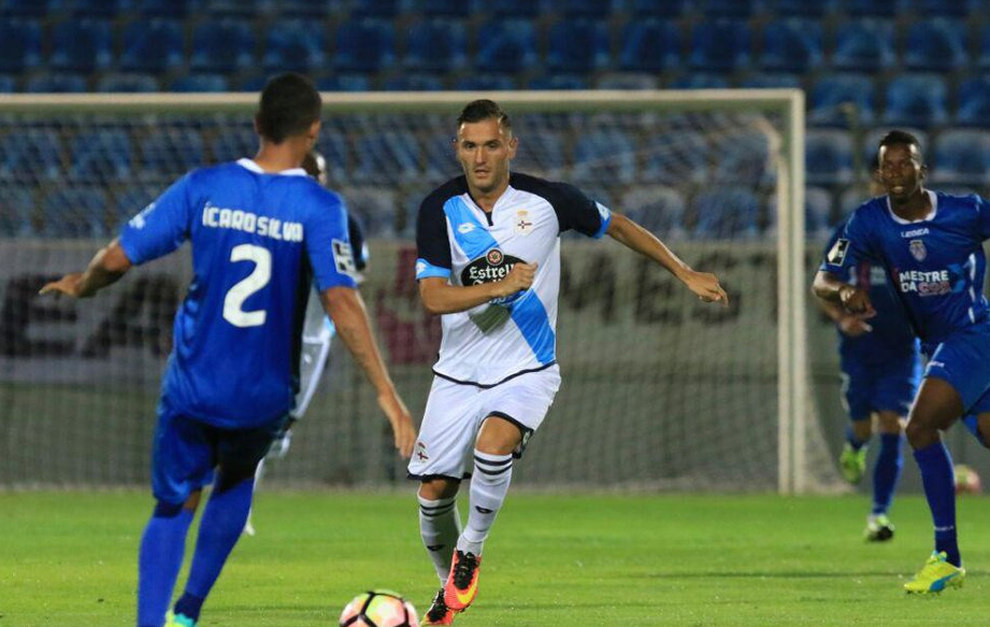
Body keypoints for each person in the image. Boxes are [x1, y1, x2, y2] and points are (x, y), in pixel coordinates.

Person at [39, 73, 416, 627]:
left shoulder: (205, 186)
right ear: (313, 132)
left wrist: (82, 283)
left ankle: (153, 623)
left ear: (257, 124)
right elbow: (342, 300)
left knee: (173, 505)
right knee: (236, 479)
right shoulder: (321, 207)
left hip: (195, 382)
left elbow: (118, 258)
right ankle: (188, 612)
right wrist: (387, 393)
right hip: (262, 393)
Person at [410, 99, 728, 624]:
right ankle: (448, 591)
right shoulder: (437, 208)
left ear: (510, 146)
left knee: (495, 444)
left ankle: (472, 549)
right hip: (456, 375)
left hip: (529, 367)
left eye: (492, 145)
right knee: (432, 496)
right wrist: (500, 284)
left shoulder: (549, 201)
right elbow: (433, 298)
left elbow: (620, 225)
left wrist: (683, 270)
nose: (481, 157)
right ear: (457, 150)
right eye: (471, 146)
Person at [813, 129, 990, 594]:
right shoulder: (869, 222)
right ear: (878, 173)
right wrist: (843, 290)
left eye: (904, 163)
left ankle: (946, 557)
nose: (895, 172)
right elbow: (822, 279)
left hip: (972, 335)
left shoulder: (965, 211)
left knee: (918, 428)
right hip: (936, 344)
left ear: (921, 170)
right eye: (887, 166)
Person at [244, 149, 370, 537]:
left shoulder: (341, 219)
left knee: (280, 428)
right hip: (267, 333)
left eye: (318, 173)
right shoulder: (264, 216)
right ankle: (236, 509)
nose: (312, 180)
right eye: (304, 172)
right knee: (256, 423)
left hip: (314, 340)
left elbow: (356, 273)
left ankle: (245, 474)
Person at [815, 211, 920, 541]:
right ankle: (855, 444)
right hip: (859, 349)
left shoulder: (919, 237)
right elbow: (820, 285)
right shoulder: (846, 235)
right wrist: (840, 318)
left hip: (901, 350)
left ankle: (878, 513)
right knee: (863, 425)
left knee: (892, 423)